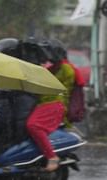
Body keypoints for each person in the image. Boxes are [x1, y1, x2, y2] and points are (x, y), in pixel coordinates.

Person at [25, 38, 81, 172]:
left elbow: (61, 90)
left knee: (33, 126)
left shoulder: (64, 69)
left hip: (54, 104)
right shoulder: (45, 67)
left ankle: (52, 156)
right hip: (41, 103)